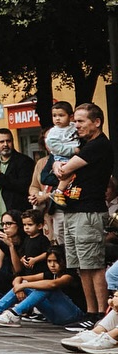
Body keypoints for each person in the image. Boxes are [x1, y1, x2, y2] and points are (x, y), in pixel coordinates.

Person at [50, 103, 112, 319]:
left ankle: (100, 314)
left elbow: (64, 169)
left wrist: (59, 167)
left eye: (81, 121)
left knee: (93, 264)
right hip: (73, 210)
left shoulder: (98, 146)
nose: (76, 125)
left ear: (96, 122)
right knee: (81, 266)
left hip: (89, 212)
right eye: (74, 121)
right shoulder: (83, 144)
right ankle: (89, 312)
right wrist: (58, 166)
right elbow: (59, 166)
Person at [0, 245, 86, 328]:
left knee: (47, 287)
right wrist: (19, 287)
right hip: (54, 316)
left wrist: (23, 286)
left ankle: (15, 314)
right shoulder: (50, 273)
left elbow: (52, 284)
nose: (52, 265)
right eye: (49, 261)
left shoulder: (70, 275)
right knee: (35, 286)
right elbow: (18, 278)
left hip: (73, 315)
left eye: (56, 261)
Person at [45, 103, 80, 205]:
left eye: (61, 115)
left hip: (73, 154)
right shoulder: (53, 132)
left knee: (75, 175)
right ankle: (58, 191)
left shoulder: (73, 126)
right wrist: (73, 150)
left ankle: (69, 193)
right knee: (68, 173)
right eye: (54, 116)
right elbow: (56, 148)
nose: (57, 119)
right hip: (63, 156)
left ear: (71, 117)